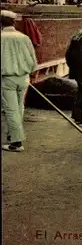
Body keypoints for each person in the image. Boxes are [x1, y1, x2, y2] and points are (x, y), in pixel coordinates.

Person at [1, 10, 38, 152]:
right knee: (19, 108)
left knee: (11, 110)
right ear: (13, 22)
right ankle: (13, 135)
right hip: (24, 78)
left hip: (7, 79)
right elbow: (33, 60)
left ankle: (16, 143)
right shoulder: (24, 37)